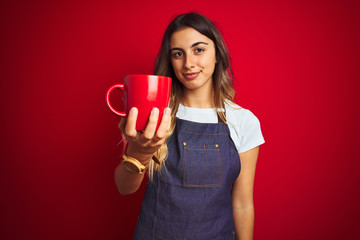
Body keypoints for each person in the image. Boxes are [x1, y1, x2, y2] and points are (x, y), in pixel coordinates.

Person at [114, 12, 265, 240]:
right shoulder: (155, 115)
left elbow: (243, 204)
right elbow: (124, 187)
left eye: (199, 50)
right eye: (178, 54)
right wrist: (139, 152)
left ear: (217, 55)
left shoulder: (244, 121)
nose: (188, 63)